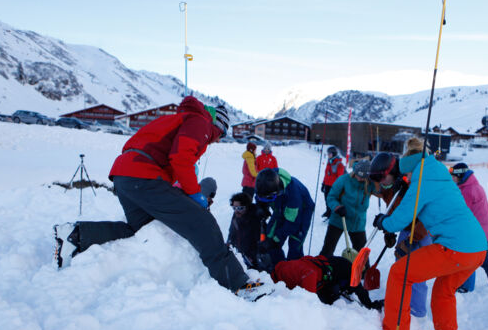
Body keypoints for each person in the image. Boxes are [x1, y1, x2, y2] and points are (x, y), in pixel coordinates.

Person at [53, 96, 264, 297]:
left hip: (126, 175)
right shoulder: (201, 122)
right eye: (220, 135)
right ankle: (238, 284)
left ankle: (76, 235)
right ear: (218, 125)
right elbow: (180, 158)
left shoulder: (180, 119)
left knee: (141, 229)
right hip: (144, 175)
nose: (216, 140)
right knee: (202, 223)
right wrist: (194, 195)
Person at [372, 137, 487, 330]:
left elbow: (400, 219)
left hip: (455, 247)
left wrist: (382, 222)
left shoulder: (422, 179)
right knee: (444, 291)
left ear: (407, 161)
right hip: (477, 248)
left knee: (400, 273)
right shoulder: (437, 172)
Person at [369, 152, 430, 317]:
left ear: (392, 172)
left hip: (421, 230)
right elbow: (393, 211)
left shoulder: (411, 185)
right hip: (406, 228)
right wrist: (389, 231)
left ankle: (416, 310)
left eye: (383, 178)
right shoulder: (389, 188)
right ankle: (402, 302)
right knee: (401, 266)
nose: (381, 183)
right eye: (378, 180)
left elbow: (426, 215)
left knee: (416, 270)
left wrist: (413, 239)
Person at [450, 163, 488, 292]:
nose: (452, 179)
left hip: (478, 233)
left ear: (460, 176)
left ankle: (466, 286)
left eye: (453, 177)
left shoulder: (468, 190)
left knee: (470, 259)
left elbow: (461, 214)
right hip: (481, 231)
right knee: (484, 260)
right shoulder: (471, 186)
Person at [272, 255, 383, 310]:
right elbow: (309, 301)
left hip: (323, 277)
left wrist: (369, 305)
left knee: (329, 301)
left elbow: (360, 289)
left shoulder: (346, 268)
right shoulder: (348, 270)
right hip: (320, 277)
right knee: (327, 300)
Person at [255, 168, 315, 268]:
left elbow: (292, 224)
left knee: (295, 243)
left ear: (277, 191)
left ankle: (294, 268)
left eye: (269, 198)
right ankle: (278, 266)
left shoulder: (293, 196)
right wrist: (262, 207)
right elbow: (260, 196)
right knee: (270, 233)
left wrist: (275, 240)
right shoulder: (265, 180)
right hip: (281, 205)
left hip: (302, 211)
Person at [319, 160, 374, 256]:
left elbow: (382, 190)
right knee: (327, 250)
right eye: (358, 175)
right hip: (339, 220)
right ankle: (323, 269)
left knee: (362, 255)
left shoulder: (370, 184)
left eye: (363, 177)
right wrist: (337, 207)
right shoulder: (343, 180)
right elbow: (331, 197)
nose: (360, 178)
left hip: (357, 223)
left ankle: (363, 271)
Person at [227, 192, 262, 270]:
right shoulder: (236, 216)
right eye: (234, 208)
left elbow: (260, 242)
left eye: (240, 208)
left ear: (247, 207)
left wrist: (253, 257)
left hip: (253, 260)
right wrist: (229, 243)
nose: (236, 211)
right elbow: (232, 232)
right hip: (241, 255)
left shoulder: (255, 219)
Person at [320, 146, 345, 219]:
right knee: (327, 199)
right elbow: (326, 174)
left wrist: (337, 187)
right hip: (327, 184)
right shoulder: (329, 162)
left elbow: (340, 177)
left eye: (329, 153)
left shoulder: (339, 164)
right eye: (328, 153)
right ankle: (328, 212)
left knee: (332, 200)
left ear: (333, 154)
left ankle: (333, 213)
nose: (328, 155)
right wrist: (323, 184)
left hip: (333, 186)